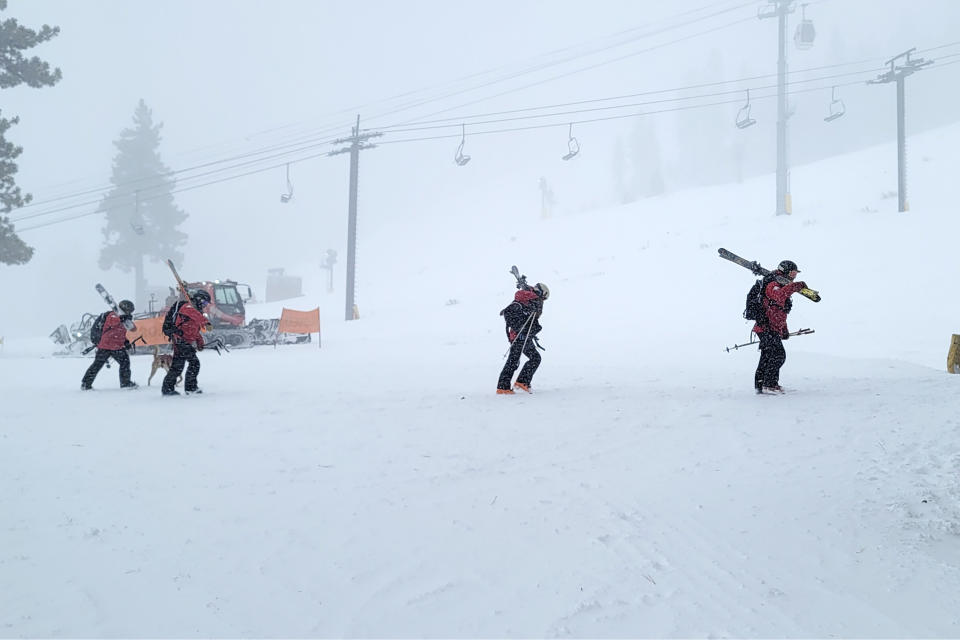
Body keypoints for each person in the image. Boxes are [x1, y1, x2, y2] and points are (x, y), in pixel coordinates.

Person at [753, 260, 808, 394]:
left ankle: (761, 386)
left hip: (770, 327)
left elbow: (779, 313)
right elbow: (778, 296)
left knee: (767, 356)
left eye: (795, 274)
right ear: (785, 271)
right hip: (766, 327)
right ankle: (769, 385)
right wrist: (794, 287)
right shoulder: (773, 284)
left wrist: (784, 330)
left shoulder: (781, 285)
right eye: (793, 273)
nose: (794, 277)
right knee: (778, 355)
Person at [497, 282, 549, 394]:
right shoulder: (523, 301)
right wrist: (519, 330)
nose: (542, 302)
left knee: (533, 358)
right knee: (514, 361)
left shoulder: (529, 302)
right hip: (518, 337)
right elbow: (510, 316)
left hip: (523, 337)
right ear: (541, 294)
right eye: (543, 298)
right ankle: (503, 387)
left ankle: (521, 382)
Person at [161, 290, 210, 396]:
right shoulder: (188, 307)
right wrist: (206, 322)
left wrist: (199, 342)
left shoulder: (196, 311)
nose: (205, 306)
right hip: (180, 340)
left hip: (183, 341)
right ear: (199, 299)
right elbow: (194, 314)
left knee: (177, 366)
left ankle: (167, 389)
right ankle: (191, 388)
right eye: (205, 303)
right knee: (194, 363)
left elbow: (194, 331)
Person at [81, 300, 138, 390]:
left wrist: (125, 342)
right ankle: (125, 383)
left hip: (114, 346)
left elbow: (119, 332)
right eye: (130, 310)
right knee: (98, 365)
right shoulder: (112, 314)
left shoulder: (124, 319)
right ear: (125, 308)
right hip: (108, 346)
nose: (130, 312)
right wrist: (121, 318)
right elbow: (113, 321)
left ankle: (86, 383)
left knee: (123, 363)